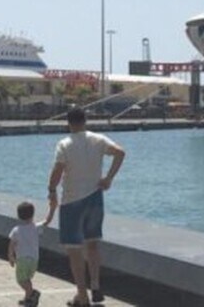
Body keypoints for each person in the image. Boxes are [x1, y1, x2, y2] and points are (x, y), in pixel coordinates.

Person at [48, 107, 126, 307]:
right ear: (86, 120)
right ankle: (95, 284)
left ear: (68, 122)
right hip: (95, 198)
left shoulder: (64, 144)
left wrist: (51, 190)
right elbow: (120, 152)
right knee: (93, 244)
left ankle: (82, 296)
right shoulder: (99, 139)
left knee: (74, 249)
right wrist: (108, 178)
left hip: (72, 201)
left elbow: (58, 170)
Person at [8, 199, 56, 307]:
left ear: (18, 216)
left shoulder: (16, 230)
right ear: (33, 215)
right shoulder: (36, 227)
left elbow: (12, 244)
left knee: (21, 280)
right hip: (34, 260)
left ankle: (33, 293)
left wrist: (11, 256)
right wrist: (52, 208)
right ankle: (28, 298)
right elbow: (47, 220)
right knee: (27, 279)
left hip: (22, 259)